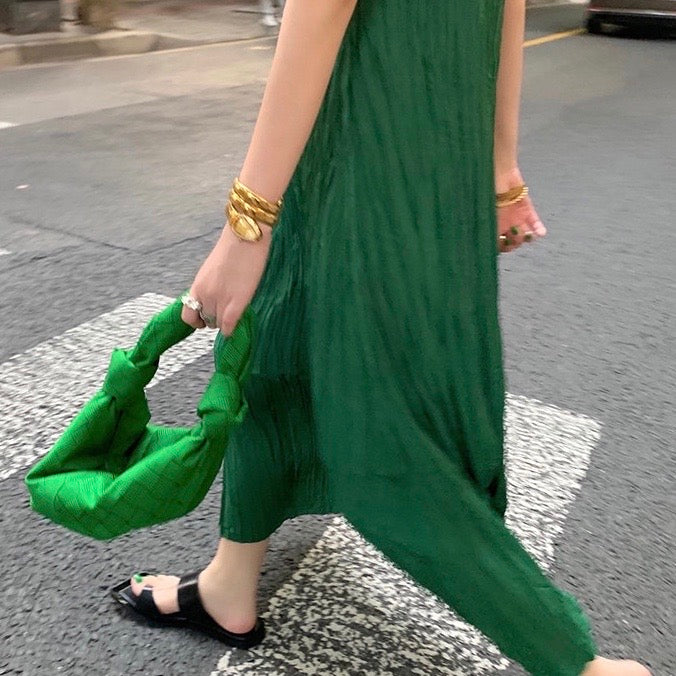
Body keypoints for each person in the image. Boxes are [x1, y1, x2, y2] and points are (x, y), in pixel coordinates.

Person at [110, 1, 650, 674]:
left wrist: (247, 223)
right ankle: (230, 581)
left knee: (382, 422)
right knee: (278, 347)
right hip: (439, 146)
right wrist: (500, 162)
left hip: (364, 142)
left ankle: (572, 659)